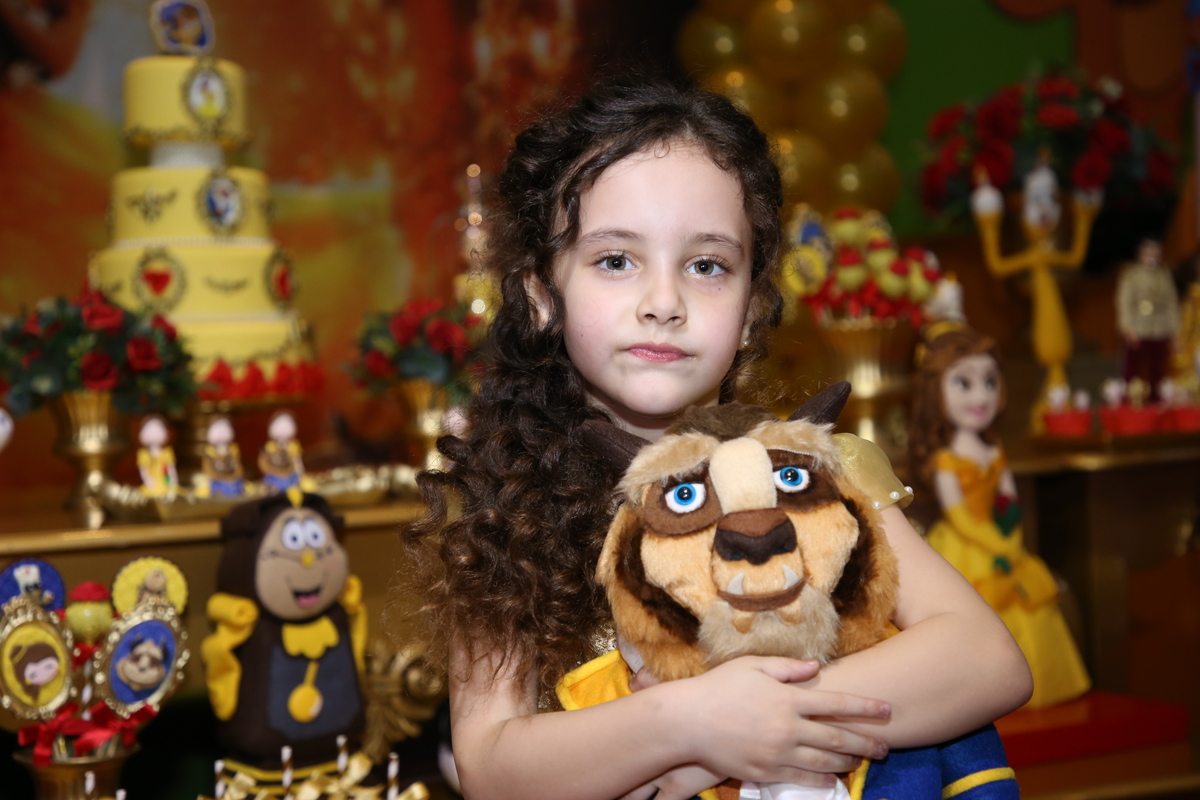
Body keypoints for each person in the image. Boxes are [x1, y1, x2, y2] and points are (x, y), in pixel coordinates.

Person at [402, 76, 1032, 800]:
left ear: (751, 307)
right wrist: (685, 724)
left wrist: (753, 720)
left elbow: (987, 659)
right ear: (542, 294)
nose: (663, 302)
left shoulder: (808, 466)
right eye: (616, 260)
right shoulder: (508, 511)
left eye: (706, 265)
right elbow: (489, 765)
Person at [908, 326, 1089, 710]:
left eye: (989, 382)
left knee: (1028, 605)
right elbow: (959, 516)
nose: (981, 396)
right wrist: (996, 543)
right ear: (936, 391)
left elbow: (1008, 499)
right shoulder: (946, 460)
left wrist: (1011, 535)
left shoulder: (993, 450)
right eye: (964, 383)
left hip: (1004, 542)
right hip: (966, 548)